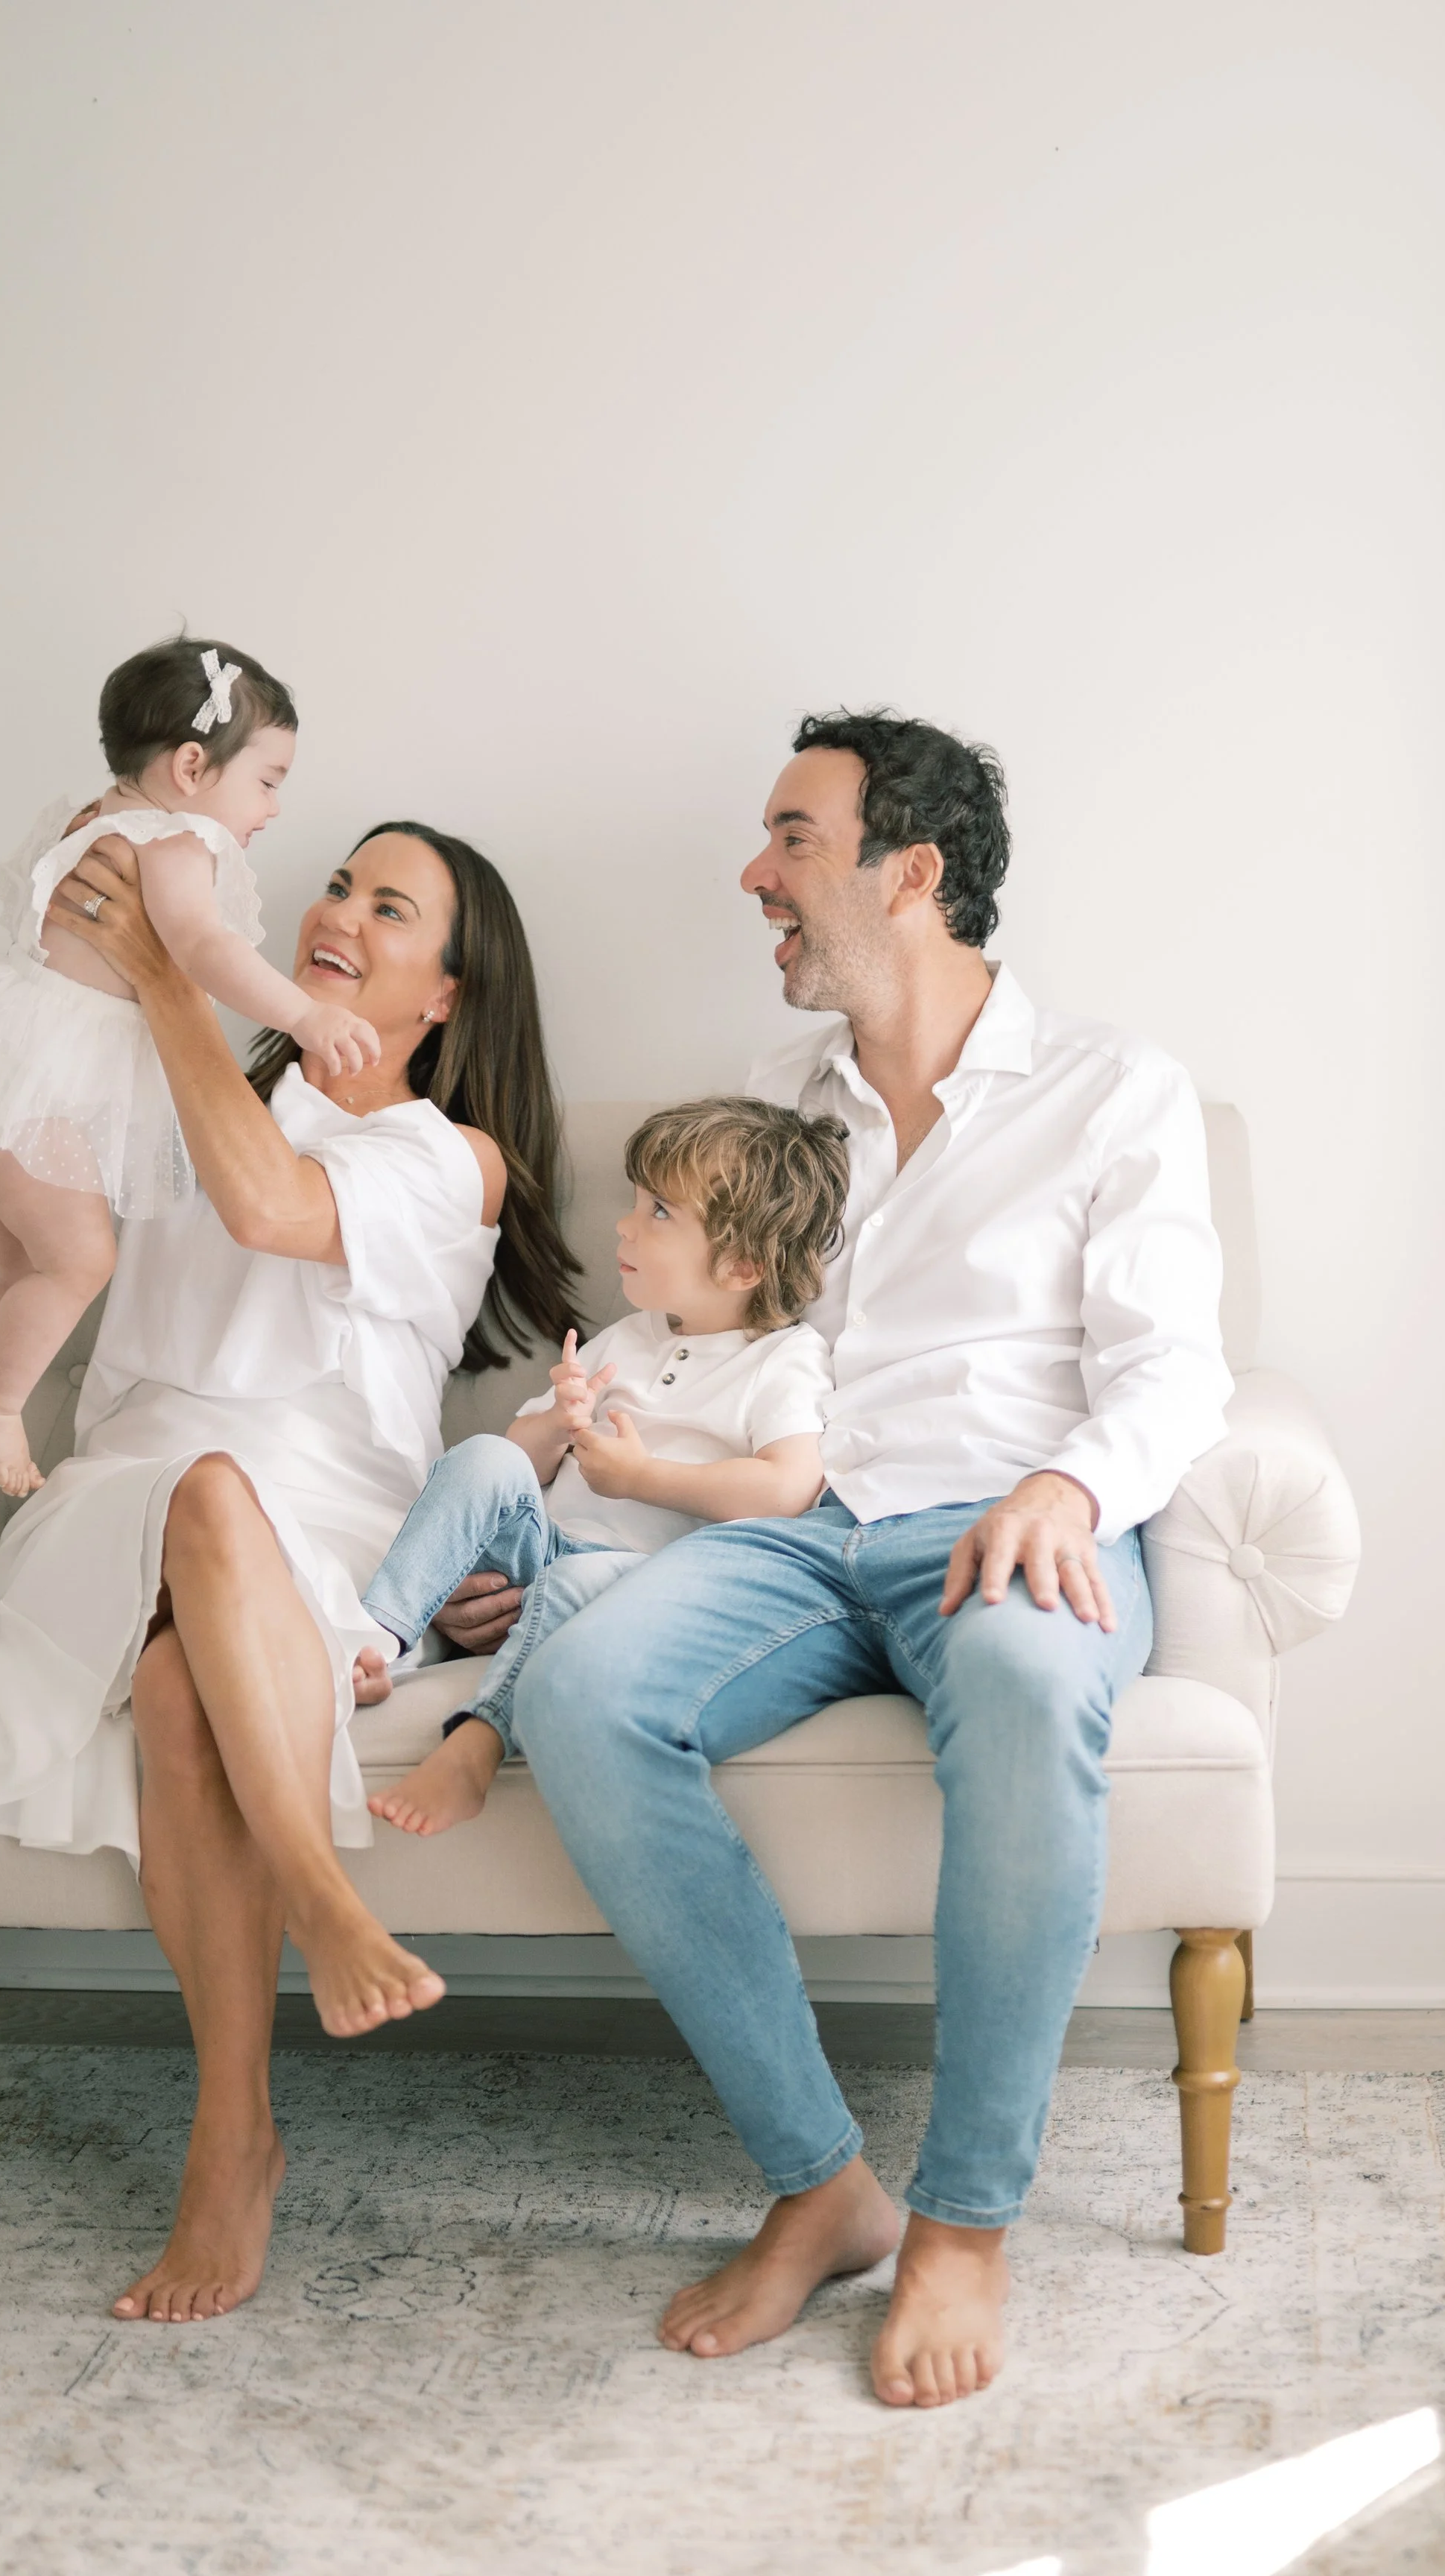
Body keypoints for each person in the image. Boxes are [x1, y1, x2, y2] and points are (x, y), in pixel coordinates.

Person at [504, 710, 1233, 2411]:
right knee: (589, 1684)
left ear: (912, 871)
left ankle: (965, 2219)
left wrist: (1068, 1484)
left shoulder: (1110, 1089)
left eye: (792, 839)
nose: (756, 873)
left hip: (1005, 1519)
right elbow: (696, 1356)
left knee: (1028, 1669)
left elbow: (1173, 1368)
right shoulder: (780, 1108)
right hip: (807, 1521)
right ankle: (824, 2180)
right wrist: (546, 1519)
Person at [0, 815, 578, 2323]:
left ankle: (232, 2138)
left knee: (174, 1684)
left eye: (390, 905)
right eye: (337, 879)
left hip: (332, 1523)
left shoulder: (444, 1156)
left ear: (447, 995)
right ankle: (319, 1894)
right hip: (115, 1496)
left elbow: (271, 1206)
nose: (339, 907)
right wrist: (63, 979)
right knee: (200, 1489)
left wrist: (167, 983)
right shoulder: (175, 1080)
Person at [0, 637, 376, 1500]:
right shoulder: (176, 839)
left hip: (4, 1074)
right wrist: (303, 1014)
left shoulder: (90, 819)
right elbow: (202, 945)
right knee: (78, 1263)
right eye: (268, 779)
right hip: (47, 1094)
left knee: (5, 1264)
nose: (274, 808)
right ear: (191, 766)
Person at [361, 1096, 847, 1836]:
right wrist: (555, 1426)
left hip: (636, 1583)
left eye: (658, 1212)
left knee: (577, 1577)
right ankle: (372, 1641)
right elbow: (511, 1470)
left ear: (744, 1262)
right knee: (487, 1454)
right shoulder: (627, 1336)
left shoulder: (782, 1359)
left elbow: (787, 1486)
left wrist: (642, 1479)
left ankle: (479, 1741)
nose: (624, 1223)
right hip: (539, 1551)